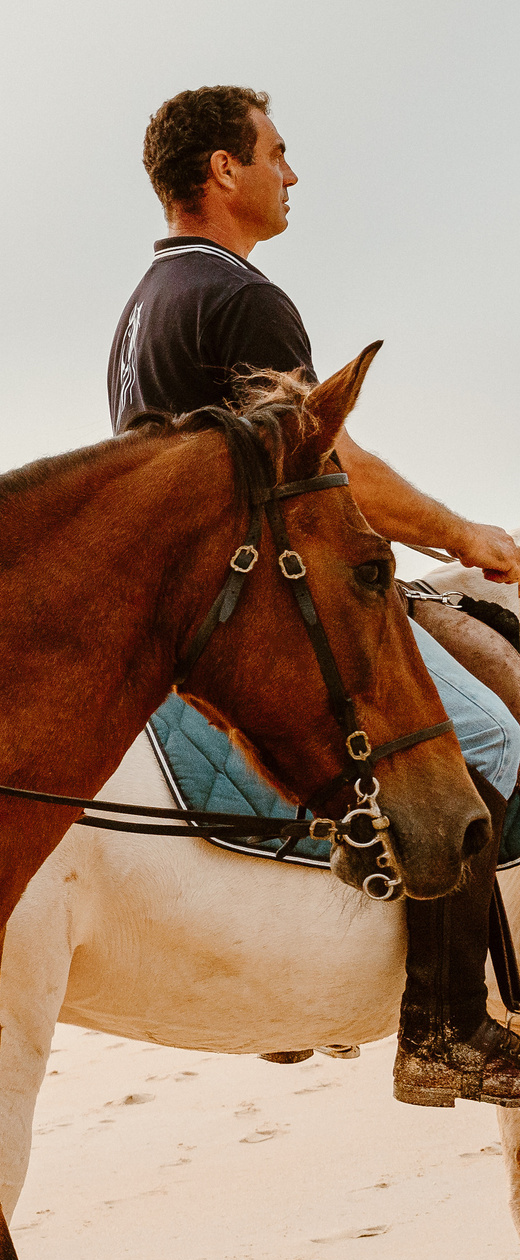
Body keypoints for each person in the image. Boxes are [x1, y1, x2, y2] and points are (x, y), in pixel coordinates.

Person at [107, 85, 520, 1107]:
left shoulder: (144, 306)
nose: (292, 175)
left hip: (179, 601)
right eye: (277, 153)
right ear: (222, 172)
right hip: (256, 597)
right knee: (486, 743)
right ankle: (443, 1022)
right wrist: (461, 534)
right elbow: (331, 465)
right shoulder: (242, 296)